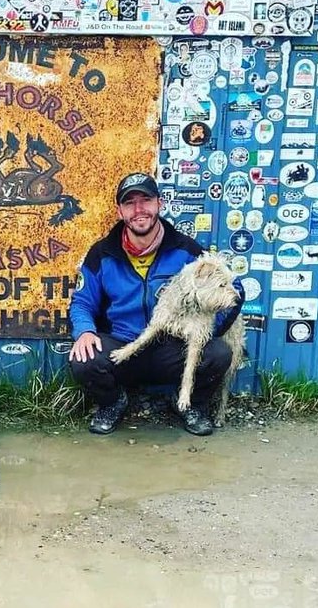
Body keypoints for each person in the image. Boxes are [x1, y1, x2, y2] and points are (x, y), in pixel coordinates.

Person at [68, 172, 245, 436]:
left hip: (173, 349)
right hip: (123, 345)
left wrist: (207, 328)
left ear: (159, 204)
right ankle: (113, 403)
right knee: (84, 358)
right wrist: (84, 331)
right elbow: (82, 301)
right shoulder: (102, 253)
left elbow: (235, 289)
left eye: (146, 200)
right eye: (130, 203)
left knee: (217, 353)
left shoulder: (187, 250)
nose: (139, 210)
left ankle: (188, 404)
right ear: (120, 211)